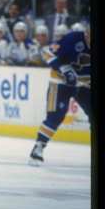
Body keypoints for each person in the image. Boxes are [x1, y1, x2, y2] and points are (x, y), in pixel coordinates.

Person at [28, 28, 90, 166]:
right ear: (87, 33)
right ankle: (39, 147)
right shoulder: (72, 39)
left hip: (85, 84)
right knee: (56, 116)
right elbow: (47, 52)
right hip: (61, 82)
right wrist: (64, 69)